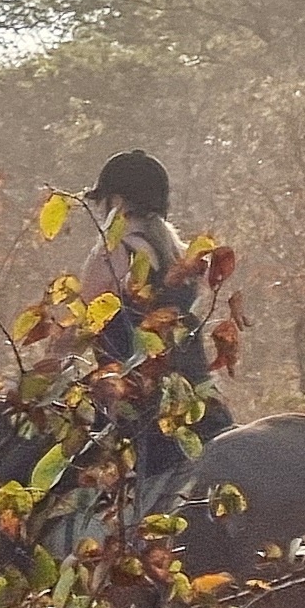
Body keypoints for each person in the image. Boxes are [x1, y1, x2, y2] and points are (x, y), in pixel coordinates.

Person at [77, 149, 217, 479]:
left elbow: (82, 330)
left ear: (118, 201)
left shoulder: (113, 255)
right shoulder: (180, 257)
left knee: (64, 491)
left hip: (137, 415)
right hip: (201, 402)